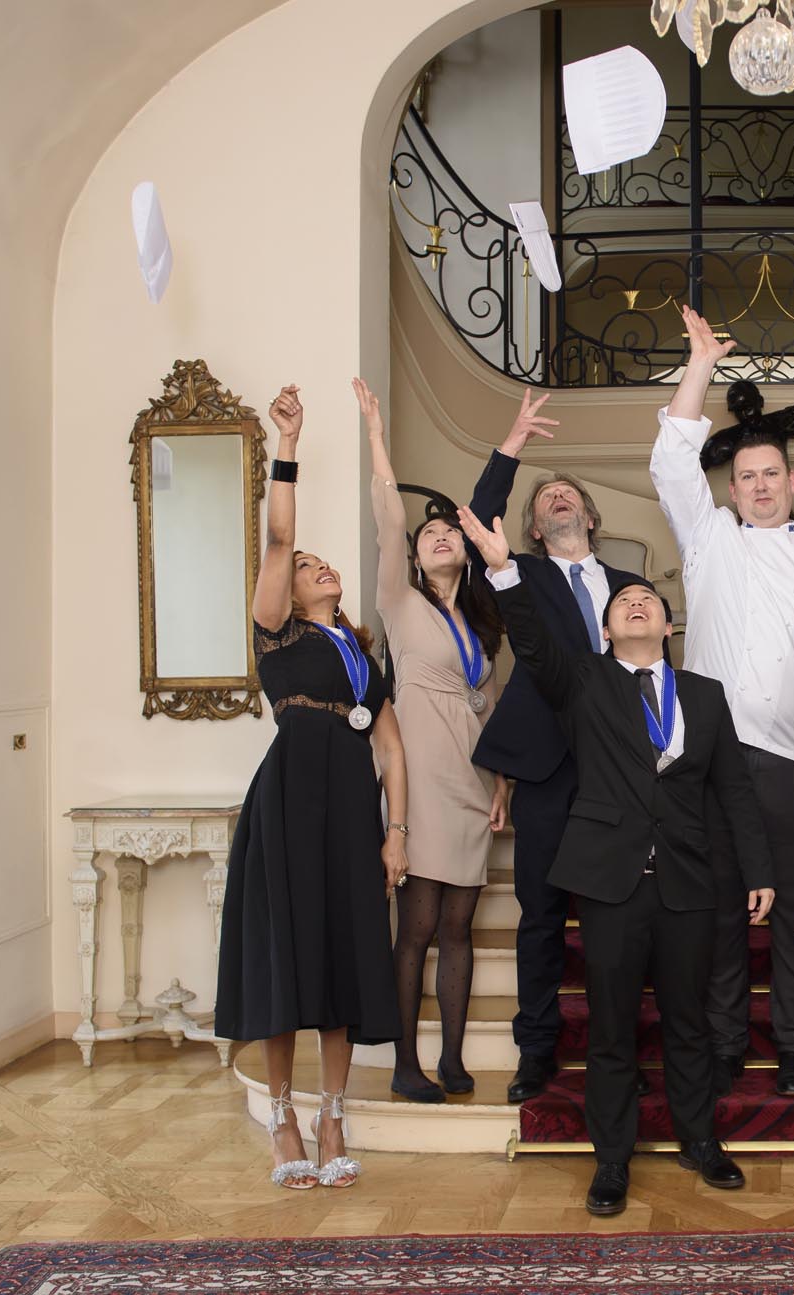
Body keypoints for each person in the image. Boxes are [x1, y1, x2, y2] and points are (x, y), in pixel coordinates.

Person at [459, 503, 775, 1218]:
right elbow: (534, 642)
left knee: (688, 1022)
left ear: (669, 625)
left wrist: (759, 871)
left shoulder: (704, 694)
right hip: (609, 882)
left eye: (649, 602)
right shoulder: (585, 682)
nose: (637, 603)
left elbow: (733, 788)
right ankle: (611, 1159)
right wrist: (503, 565)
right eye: (624, 602)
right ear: (605, 628)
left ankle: (700, 1139)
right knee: (610, 1026)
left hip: (691, 882)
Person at [650, 305, 794, 1099]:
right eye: (746, 478)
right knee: (721, 912)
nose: (760, 486)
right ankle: (729, 1040)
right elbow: (671, 464)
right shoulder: (708, 543)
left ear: (791, 482)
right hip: (709, 761)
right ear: (730, 488)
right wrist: (699, 364)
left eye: (772, 475)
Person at [214, 384, 408, 1191]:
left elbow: (391, 749)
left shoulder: (364, 653)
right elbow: (279, 530)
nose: (314, 563)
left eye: (322, 563)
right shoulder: (278, 633)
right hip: (290, 802)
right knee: (286, 959)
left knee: (338, 959)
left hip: (350, 811)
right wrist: (287, 443)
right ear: (285, 593)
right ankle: (284, 1113)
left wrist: (396, 830)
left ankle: (334, 1111)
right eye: (303, 568)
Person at [466, 391, 644, 1104]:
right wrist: (512, 442)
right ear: (534, 529)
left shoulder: (630, 587)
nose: (558, 500)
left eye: (569, 494)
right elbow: (480, 517)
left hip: (618, 770)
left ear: (592, 519)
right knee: (541, 916)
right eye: (546, 499)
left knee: (617, 917)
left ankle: (618, 1045)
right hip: (544, 768)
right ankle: (535, 1049)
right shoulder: (522, 575)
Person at [357, 377, 508, 1104]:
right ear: (415, 558)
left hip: (473, 779)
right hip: (420, 777)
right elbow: (388, 521)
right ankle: (404, 1062)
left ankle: (451, 1058)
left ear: (466, 551)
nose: (438, 533)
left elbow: (496, 706)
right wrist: (377, 435)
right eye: (429, 533)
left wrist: (502, 785)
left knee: (459, 926)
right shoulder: (400, 602)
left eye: (449, 529)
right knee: (414, 925)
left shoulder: (483, 625)